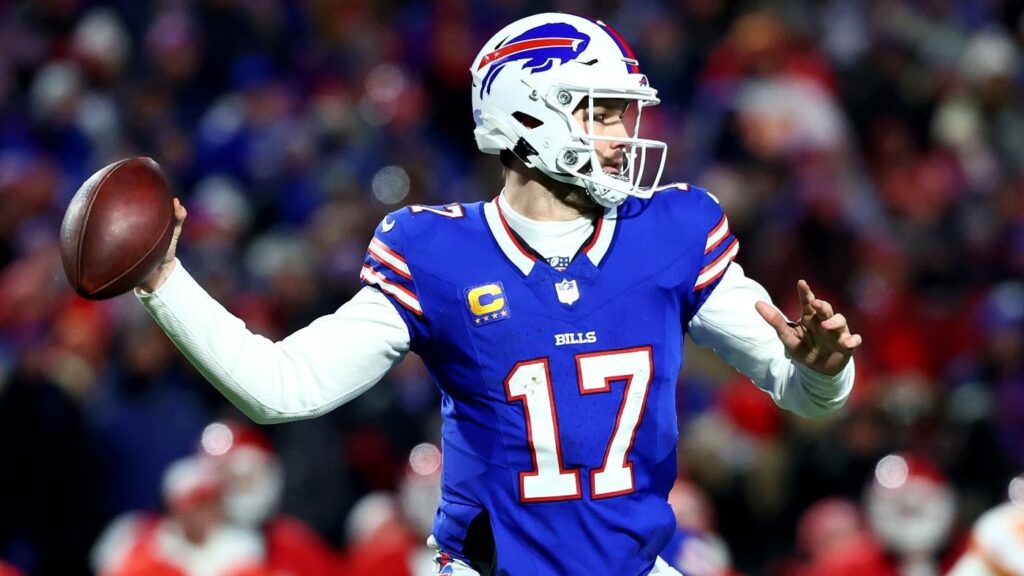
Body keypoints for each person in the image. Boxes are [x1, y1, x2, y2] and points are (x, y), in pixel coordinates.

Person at [134, 13, 860, 575]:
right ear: (530, 113)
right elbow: (284, 387)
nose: (622, 135)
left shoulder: (670, 231)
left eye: (623, 114)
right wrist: (163, 281)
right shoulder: (438, 253)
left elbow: (806, 396)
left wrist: (826, 371)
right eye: (600, 112)